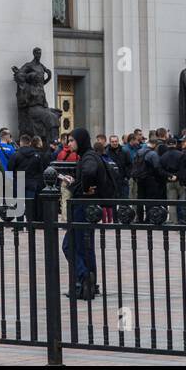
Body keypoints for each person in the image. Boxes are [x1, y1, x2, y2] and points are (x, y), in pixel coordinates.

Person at [63, 128, 106, 299]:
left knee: (69, 245)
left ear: (80, 141)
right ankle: (89, 284)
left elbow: (89, 172)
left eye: (72, 140)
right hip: (88, 207)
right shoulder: (88, 156)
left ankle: (84, 276)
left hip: (83, 208)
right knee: (86, 248)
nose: (69, 144)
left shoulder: (88, 157)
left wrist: (84, 188)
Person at [10, 134, 43, 220]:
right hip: (32, 181)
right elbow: (40, 169)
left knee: (19, 203)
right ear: (30, 143)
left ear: (21, 142)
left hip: (19, 180)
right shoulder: (36, 155)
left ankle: (20, 225)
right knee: (30, 204)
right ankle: (30, 225)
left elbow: (10, 168)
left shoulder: (16, 154)